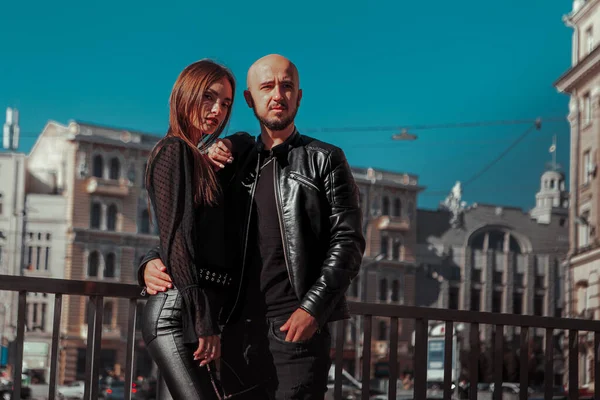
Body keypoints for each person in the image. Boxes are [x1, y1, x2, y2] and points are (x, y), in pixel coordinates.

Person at [138, 54, 365, 399]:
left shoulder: (325, 159)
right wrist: (150, 260)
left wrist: (313, 309)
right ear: (250, 99)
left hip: (296, 331)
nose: (278, 95)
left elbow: (348, 242)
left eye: (287, 87)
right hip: (236, 332)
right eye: (267, 87)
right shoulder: (233, 163)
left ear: (299, 96)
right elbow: (193, 226)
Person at [139, 59, 236, 400]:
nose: (216, 110)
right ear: (186, 94)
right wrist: (203, 321)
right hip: (178, 311)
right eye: (209, 98)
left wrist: (227, 147)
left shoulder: (197, 158)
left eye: (225, 104)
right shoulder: (174, 150)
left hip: (190, 309)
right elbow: (177, 238)